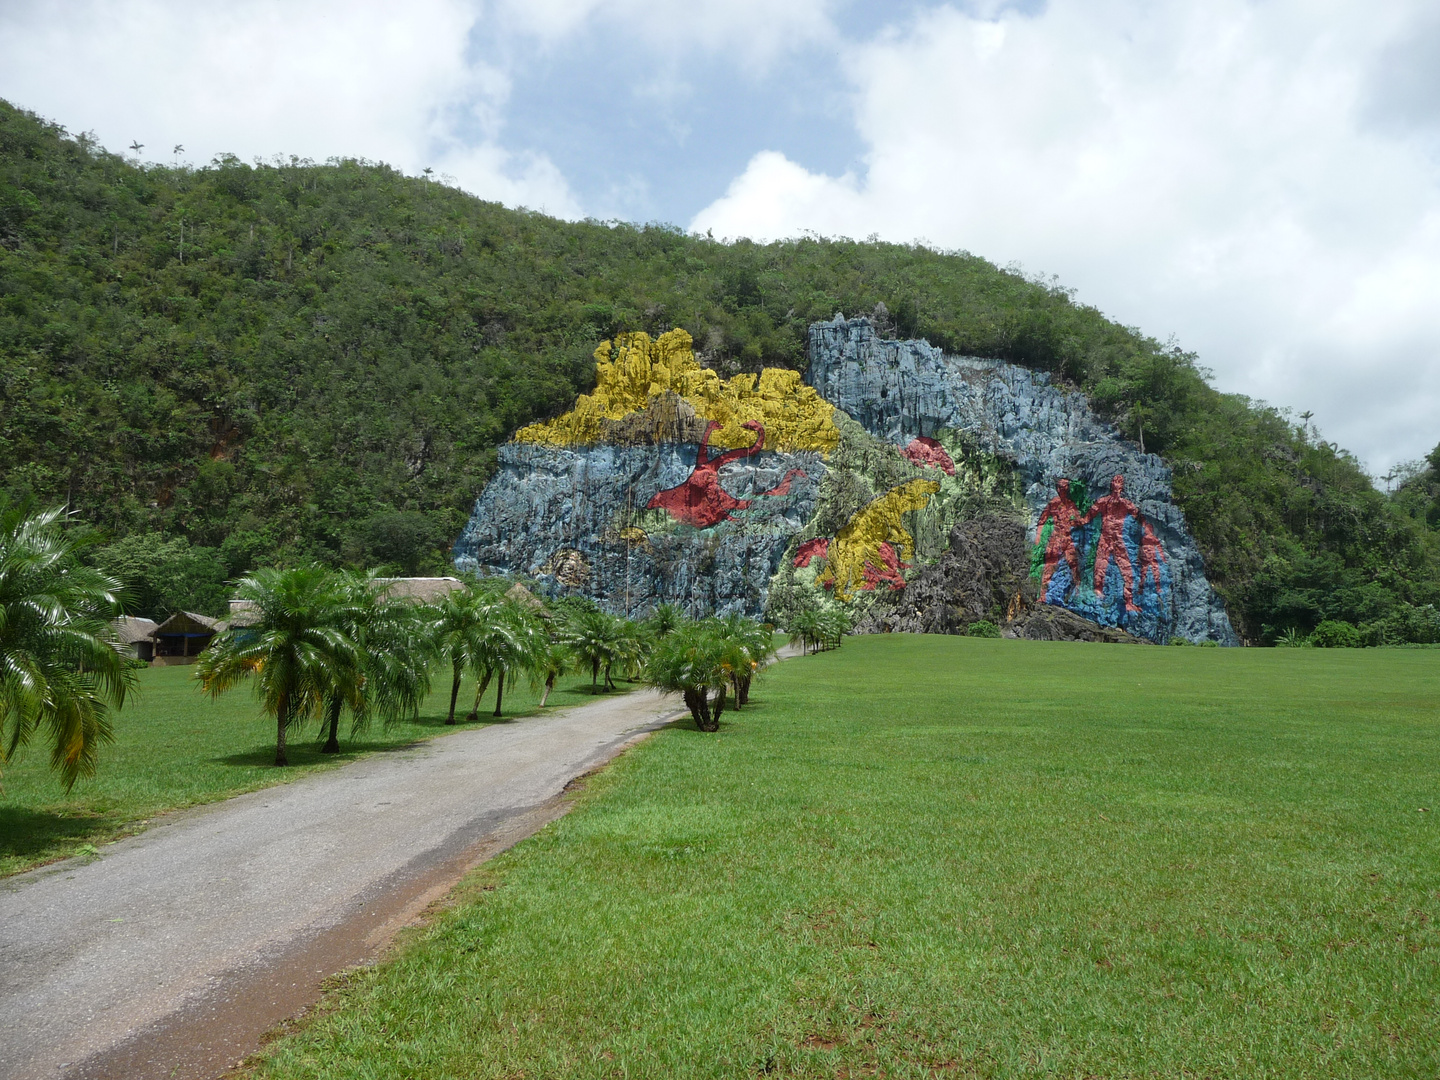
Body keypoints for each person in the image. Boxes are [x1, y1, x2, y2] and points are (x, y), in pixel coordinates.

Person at [1081, 474, 1141, 614]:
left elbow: (1137, 514)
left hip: (1118, 538)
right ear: (1111, 484)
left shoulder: (1125, 503)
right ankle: (1097, 590)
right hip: (1106, 536)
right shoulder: (1103, 501)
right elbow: (1088, 517)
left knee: (1127, 569)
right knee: (1100, 564)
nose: (1117, 484)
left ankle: (1129, 601)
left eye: (1120, 482)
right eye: (1115, 481)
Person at [1035, 478, 1084, 598]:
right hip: (1056, 538)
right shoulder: (1053, 503)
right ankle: (1042, 595)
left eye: (1066, 487)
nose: (1064, 489)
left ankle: (1078, 593)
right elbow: (1042, 520)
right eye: (1062, 487)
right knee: (1050, 565)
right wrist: (1038, 537)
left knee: (1074, 564)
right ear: (1058, 489)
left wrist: (1075, 523)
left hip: (1068, 538)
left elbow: (1078, 520)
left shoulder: (1071, 504)